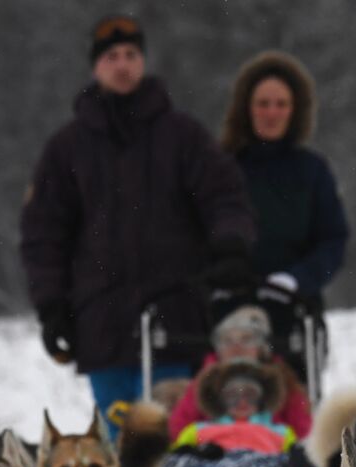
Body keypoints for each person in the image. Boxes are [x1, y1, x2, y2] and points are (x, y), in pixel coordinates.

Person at [20, 14, 257, 434]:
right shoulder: (67, 149)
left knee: (177, 447)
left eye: (131, 54)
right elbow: (44, 234)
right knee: (121, 450)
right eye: (112, 56)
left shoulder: (183, 136)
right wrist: (51, 305)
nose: (122, 64)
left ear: (144, 62)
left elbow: (225, 195)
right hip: (101, 327)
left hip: (175, 321)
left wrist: (231, 244)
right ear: (96, 66)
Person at [220, 51, 349, 356]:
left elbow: (333, 240)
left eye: (281, 104)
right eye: (263, 104)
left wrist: (296, 280)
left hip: (295, 315)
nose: (271, 113)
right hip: (225, 318)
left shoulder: (313, 170)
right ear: (246, 109)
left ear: (296, 110)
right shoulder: (219, 169)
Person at [167, 304, 311, 440]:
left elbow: (303, 431)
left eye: (246, 339)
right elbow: (178, 430)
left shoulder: (283, 380)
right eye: (227, 340)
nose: (236, 348)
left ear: (261, 347)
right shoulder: (205, 381)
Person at [170, 359, 297, 455]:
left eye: (250, 395)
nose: (242, 402)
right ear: (219, 399)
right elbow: (177, 464)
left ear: (262, 398)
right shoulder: (196, 432)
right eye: (232, 396)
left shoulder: (282, 433)